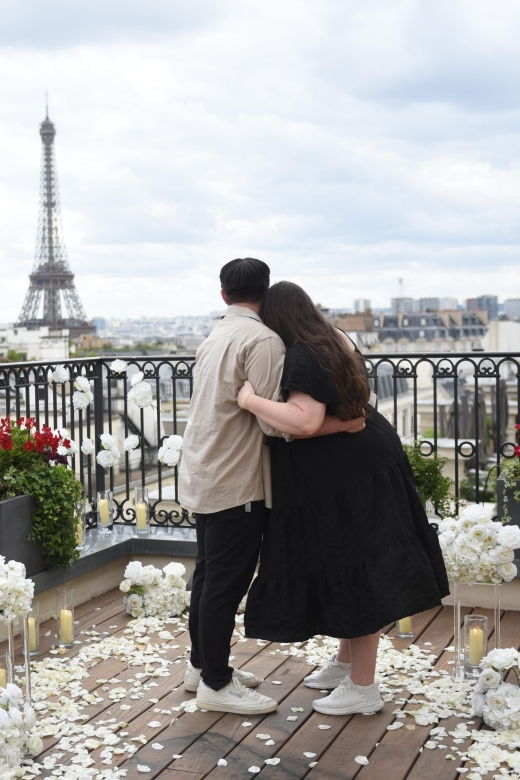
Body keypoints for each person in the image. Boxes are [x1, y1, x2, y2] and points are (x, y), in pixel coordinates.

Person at [237, 280, 450, 716]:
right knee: (353, 560)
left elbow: (305, 420)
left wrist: (251, 399)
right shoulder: (335, 339)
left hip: (346, 474)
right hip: (369, 460)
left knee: (357, 567)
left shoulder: (301, 354)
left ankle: (363, 687)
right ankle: (346, 663)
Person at [178, 260, 365, 716]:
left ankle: (202, 667)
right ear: (264, 293)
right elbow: (274, 423)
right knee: (225, 582)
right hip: (236, 476)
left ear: (223, 295)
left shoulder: (214, 335)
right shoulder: (262, 340)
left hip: (202, 469)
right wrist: (339, 424)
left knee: (207, 575)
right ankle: (217, 684)